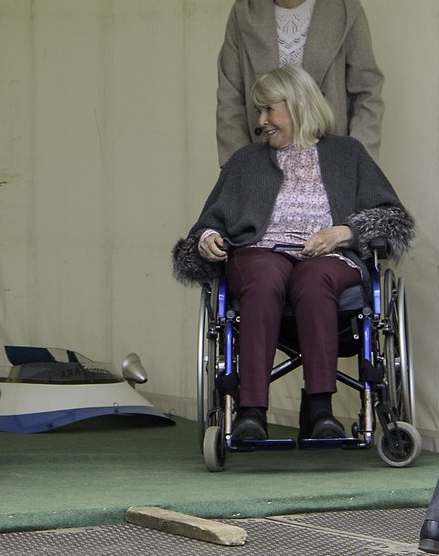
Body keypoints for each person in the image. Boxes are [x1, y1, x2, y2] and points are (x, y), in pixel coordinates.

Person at [173, 65, 411, 442]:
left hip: (329, 258)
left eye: (269, 109)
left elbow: (392, 217)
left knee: (315, 278)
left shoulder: (347, 154)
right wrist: (206, 238)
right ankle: (251, 411)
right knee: (265, 275)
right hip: (261, 254)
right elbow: (208, 223)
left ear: (299, 105)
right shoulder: (246, 161)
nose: (261, 121)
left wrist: (343, 232)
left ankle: (320, 409)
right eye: (259, 111)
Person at [216, 0, 384, 167]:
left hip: (331, 161)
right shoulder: (244, 12)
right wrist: (238, 165)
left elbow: (367, 91)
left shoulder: (345, 10)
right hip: (262, 162)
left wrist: (358, 159)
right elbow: (230, 94)